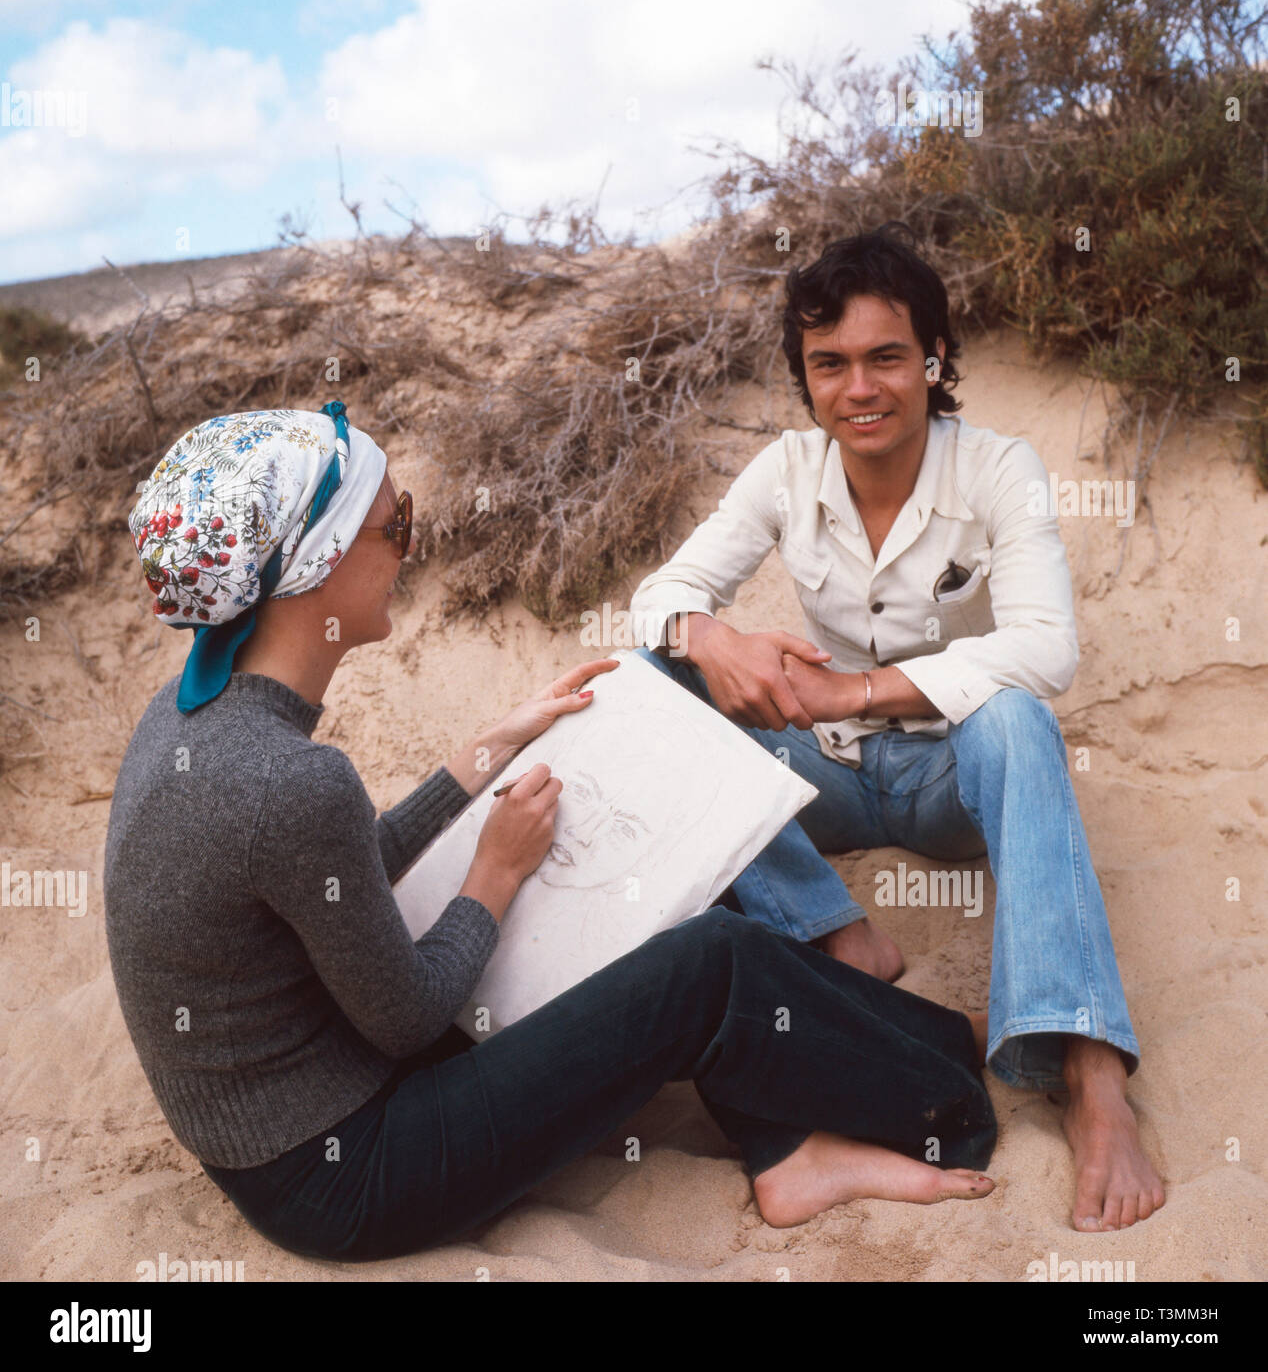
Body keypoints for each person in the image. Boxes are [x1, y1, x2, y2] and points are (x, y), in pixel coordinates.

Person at [103, 400, 998, 1263]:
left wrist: (487, 752)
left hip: (296, 1119)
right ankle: (946, 1105)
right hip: (348, 1171)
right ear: (317, 566)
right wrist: (493, 872)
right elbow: (411, 1018)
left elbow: (334, 876)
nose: (411, 548)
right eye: (393, 525)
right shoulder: (289, 779)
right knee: (708, 959)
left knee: (645, 900)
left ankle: (879, 1075)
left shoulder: (192, 725)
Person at [628, 222, 1165, 1234]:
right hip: (820, 776)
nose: (857, 388)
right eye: (827, 364)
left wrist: (863, 690)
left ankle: (1090, 1075)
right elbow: (657, 597)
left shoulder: (998, 466)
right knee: (650, 681)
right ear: (805, 376)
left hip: (948, 777)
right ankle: (835, 934)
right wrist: (710, 637)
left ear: (931, 359)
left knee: (1015, 716)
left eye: (884, 356)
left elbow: (1047, 649)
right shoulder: (785, 470)